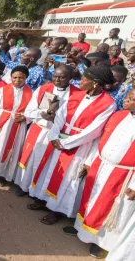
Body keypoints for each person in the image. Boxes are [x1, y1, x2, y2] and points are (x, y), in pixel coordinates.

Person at [29, 66, 116, 225]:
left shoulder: (108, 104)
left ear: (95, 83)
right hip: (59, 137)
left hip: (78, 145)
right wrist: (54, 135)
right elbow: (61, 115)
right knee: (51, 169)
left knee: (67, 177)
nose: (80, 81)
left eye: (84, 79)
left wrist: (65, 143)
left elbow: (93, 131)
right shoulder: (77, 95)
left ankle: (56, 209)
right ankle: (44, 199)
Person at [63, 89, 135, 258]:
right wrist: (89, 161)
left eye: (132, 98)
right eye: (128, 96)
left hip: (123, 175)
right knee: (90, 198)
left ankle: (102, 243)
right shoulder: (118, 115)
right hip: (101, 165)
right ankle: (82, 230)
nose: (126, 100)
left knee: (111, 209)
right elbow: (101, 140)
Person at [15, 65, 78, 196]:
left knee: (47, 164)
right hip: (39, 130)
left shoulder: (77, 94)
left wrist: (56, 118)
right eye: (55, 76)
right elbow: (29, 111)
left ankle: (38, 192)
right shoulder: (44, 89)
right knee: (31, 159)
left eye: (62, 77)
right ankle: (24, 186)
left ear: (70, 78)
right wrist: (43, 113)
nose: (57, 79)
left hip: (56, 134)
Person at [0, 66, 33, 186]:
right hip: (2, 123)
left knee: (12, 150)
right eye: (15, 77)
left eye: (21, 78)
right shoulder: (2, 90)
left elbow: (33, 110)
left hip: (18, 125)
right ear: (11, 77)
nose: (17, 80)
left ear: (26, 78)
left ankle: (3, 175)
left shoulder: (31, 92)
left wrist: (25, 117)